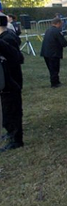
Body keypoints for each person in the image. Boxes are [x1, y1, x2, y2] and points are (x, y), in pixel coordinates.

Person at [0, 12, 24, 152]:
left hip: (10, 80)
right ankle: (10, 133)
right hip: (7, 80)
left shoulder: (7, 39)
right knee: (7, 109)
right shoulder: (6, 37)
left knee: (12, 109)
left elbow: (17, 58)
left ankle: (16, 139)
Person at [40, 18, 67, 88]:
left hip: (46, 52)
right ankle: (54, 83)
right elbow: (63, 42)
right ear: (58, 23)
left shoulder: (48, 30)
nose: (61, 25)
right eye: (61, 24)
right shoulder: (57, 31)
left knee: (51, 68)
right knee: (55, 68)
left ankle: (56, 81)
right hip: (53, 53)